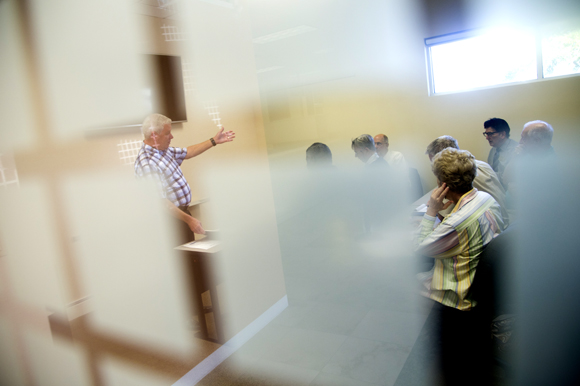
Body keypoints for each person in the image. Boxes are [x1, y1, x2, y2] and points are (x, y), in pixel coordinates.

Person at [414, 148, 504, 385]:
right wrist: (446, 217)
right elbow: (458, 231)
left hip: (456, 302)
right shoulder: (487, 199)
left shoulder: (457, 222)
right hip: (482, 289)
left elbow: (421, 248)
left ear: (441, 182)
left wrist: (432, 211)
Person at [134, 113, 235, 241]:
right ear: (154, 135)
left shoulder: (163, 151)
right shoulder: (147, 163)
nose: (171, 136)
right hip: (170, 223)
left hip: (181, 215)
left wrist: (214, 141)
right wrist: (190, 220)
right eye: (167, 133)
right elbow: (160, 203)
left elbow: (188, 152)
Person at [425, 135, 510, 225]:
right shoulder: (482, 165)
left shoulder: (457, 176)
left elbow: (443, 217)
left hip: (490, 226)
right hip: (502, 220)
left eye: (434, 163)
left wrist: (433, 208)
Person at [484, 118, 518, 187]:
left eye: (490, 134)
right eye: (486, 134)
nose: (487, 138)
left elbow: (509, 178)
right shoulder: (493, 150)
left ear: (502, 134)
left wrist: (485, 175)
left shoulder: (516, 151)